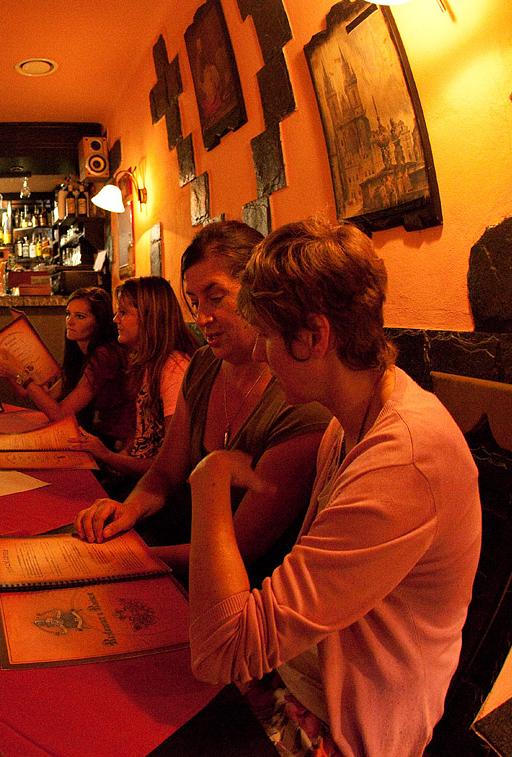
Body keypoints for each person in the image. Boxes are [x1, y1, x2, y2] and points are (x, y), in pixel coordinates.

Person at [187, 219, 480, 756]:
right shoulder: (351, 420)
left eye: (268, 336)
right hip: (298, 680)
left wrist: (209, 481)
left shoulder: (404, 459)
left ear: (314, 336)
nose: (260, 354)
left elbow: (221, 651)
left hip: (345, 728)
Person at [75, 220, 330, 582]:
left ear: (261, 291)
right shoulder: (204, 364)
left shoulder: (300, 400)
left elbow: (242, 550)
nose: (201, 318)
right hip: (174, 550)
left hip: (241, 588)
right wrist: (126, 512)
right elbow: (164, 473)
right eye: (194, 302)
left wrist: (124, 556)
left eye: (216, 297)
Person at [71, 277, 199, 498]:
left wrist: (107, 455)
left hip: (160, 493)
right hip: (138, 476)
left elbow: (171, 464)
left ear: (150, 317)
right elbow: (144, 431)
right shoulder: (150, 362)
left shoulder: (174, 368)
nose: (115, 319)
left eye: (123, 313)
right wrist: (123, 454)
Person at [0, 286, 131, 449]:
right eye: (68, 314)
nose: (70, 321)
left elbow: (60, 414)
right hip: (91, 435)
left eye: (80, 316)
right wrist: (13, 372)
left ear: (99, 323)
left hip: (113, 443)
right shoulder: (78, 354)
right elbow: (49, 398)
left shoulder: (104, 355)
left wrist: (21, 375)